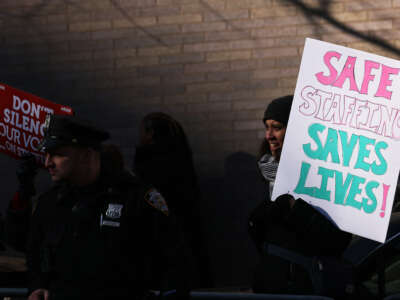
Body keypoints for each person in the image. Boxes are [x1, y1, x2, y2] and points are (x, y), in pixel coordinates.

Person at [26, 114, 182, 300]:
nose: (47, 162)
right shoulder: (50, 202)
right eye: (47, 154)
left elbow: (175, 263)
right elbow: (34, 255)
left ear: (86, 155)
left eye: (58, 154)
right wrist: (37, 287)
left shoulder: (135, 198)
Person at [248, 95, 353, 296]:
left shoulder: (322, 178)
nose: (268, 135)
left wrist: (295, 208)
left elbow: (337, 241)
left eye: (276, 127)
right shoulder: (272, 172)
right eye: (266, 127)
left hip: (302, 288)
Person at [133, 112, 213, 289]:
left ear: (151, 133)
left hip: (163, 241)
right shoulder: (179, 158)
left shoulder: (149, 164)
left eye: (142, 132)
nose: (139, 136)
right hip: (184, 235)